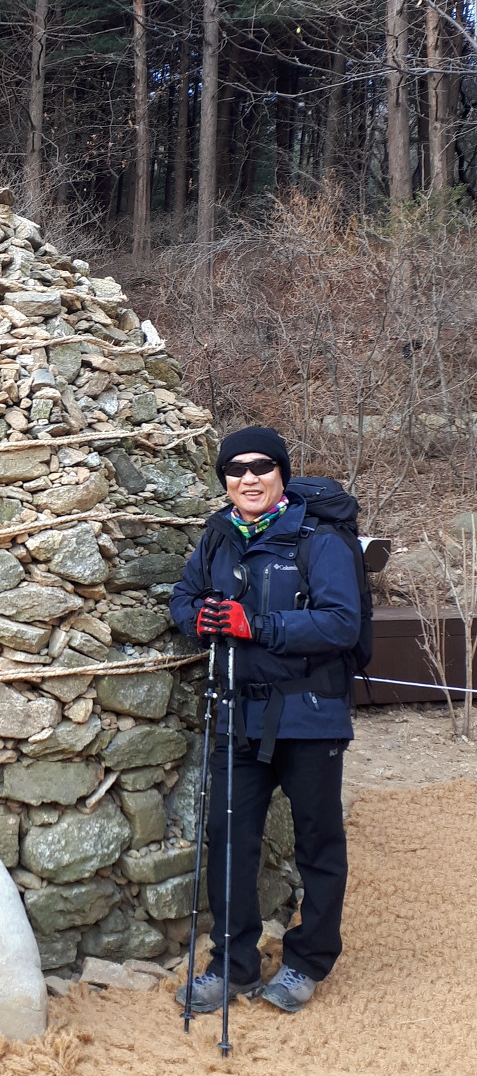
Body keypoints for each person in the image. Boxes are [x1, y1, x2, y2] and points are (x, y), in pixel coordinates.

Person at [170, 426, 361, 1014]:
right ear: (224, 479)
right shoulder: (219, 536)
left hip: (310, 716)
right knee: (229, 839)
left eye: (261, 467)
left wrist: (260, 626)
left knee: (318, 842)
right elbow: (183, 596)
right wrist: (198, 618)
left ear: (281, 472)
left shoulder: (319, 540)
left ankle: (308, 960)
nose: (248, 478)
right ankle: (234, 965)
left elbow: (341, 623)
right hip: (236, 714)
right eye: (236, 469)